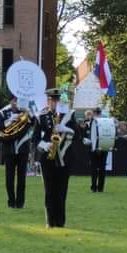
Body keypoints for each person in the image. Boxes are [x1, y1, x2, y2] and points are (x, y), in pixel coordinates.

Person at [34, 90, 78, 228]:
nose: (54, 103)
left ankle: (60, 222)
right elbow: (34, 138)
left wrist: (66, 128)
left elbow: (78, 135)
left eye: (56, 100)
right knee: (49, 190)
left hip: (64, 157)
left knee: (62, 190)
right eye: (51, 100)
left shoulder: (69, 116)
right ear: (48, 101)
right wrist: (43, 144)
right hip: (48, 157)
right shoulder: (40, 116)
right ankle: (50, 221)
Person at [0, 95, 35, 209]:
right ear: (10, 101)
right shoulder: (4, 113)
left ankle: (20, 203)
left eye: (17, 101)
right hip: (9, 149)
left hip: (22, 149)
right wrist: (8, 121)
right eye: (13, 100)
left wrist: (28, 112)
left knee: (22, 178)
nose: (16, 103)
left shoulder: (25, 112)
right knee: (9, 178)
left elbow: (34, 123)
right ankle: (11, 202)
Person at [84, 108, 108, 193]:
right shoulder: (89, 123)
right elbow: (85, 135)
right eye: (96, 113)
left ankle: (97, 188)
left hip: (102, 147)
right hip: (97, 148)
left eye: (98, 113)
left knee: (99, 169)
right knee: (97, 169)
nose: (97, 114)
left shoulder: (104, 123)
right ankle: (96, 188)